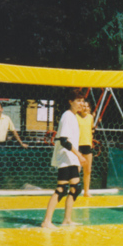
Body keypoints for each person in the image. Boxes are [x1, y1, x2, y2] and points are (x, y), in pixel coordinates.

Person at [42, 90, 87, 228]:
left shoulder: (74, 117)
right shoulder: (67, 116)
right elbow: (64, 141)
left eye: (82, 101)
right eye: (78, 101)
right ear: (70, 102)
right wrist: (79, 155)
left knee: (76, 188)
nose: (81, 104)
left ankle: (67, 219)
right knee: (61, 189)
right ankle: (46, 221)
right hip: (65, 157)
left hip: (71, 157)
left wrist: (76, 159)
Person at [76, 99, 95, 197]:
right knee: (76, 170)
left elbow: (90, 130)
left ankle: (86, 191)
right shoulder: (75, 117)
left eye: (87, 106)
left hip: (87, 145)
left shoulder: (91, 117)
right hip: (77, 146)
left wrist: (91, 141)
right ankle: (74, 190)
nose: (85, 108)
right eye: (84, 106)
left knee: (88, 170)